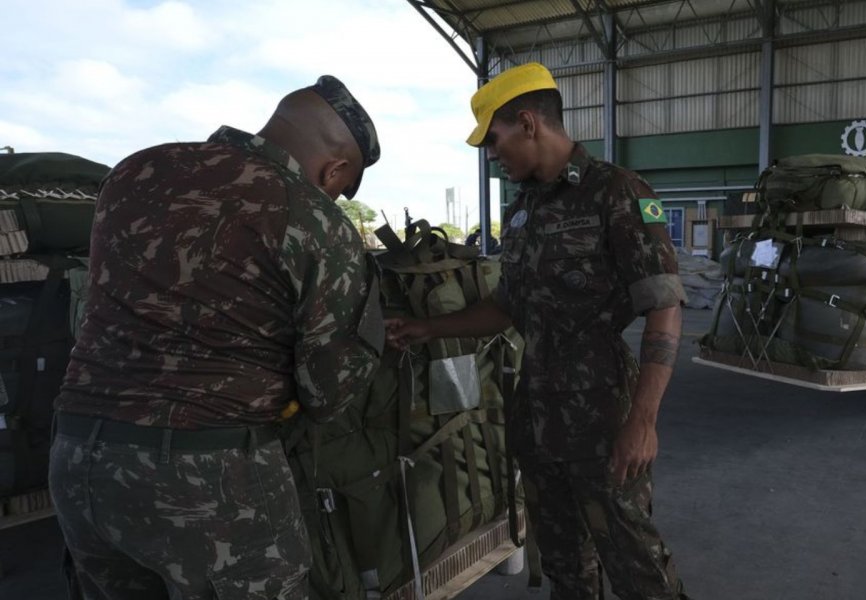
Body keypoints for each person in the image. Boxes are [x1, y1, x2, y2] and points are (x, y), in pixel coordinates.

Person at [49, 75, 385, 599]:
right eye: (339, 187)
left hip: (78, 459)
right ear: (335, 169)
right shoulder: (309, 214)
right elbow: (328, 390)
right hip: (210, 477)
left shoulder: (135, 170)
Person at [389, 62, 689, 600]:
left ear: (528, 123)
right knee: (566, 564)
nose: (493, 154)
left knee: (636, 562)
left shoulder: (616, 193)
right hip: (538, 412)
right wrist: (427, 327)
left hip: (602, 414)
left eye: (495, 139)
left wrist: (643, 420)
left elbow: (664, 308)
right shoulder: (525, 208)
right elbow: (507, 306)